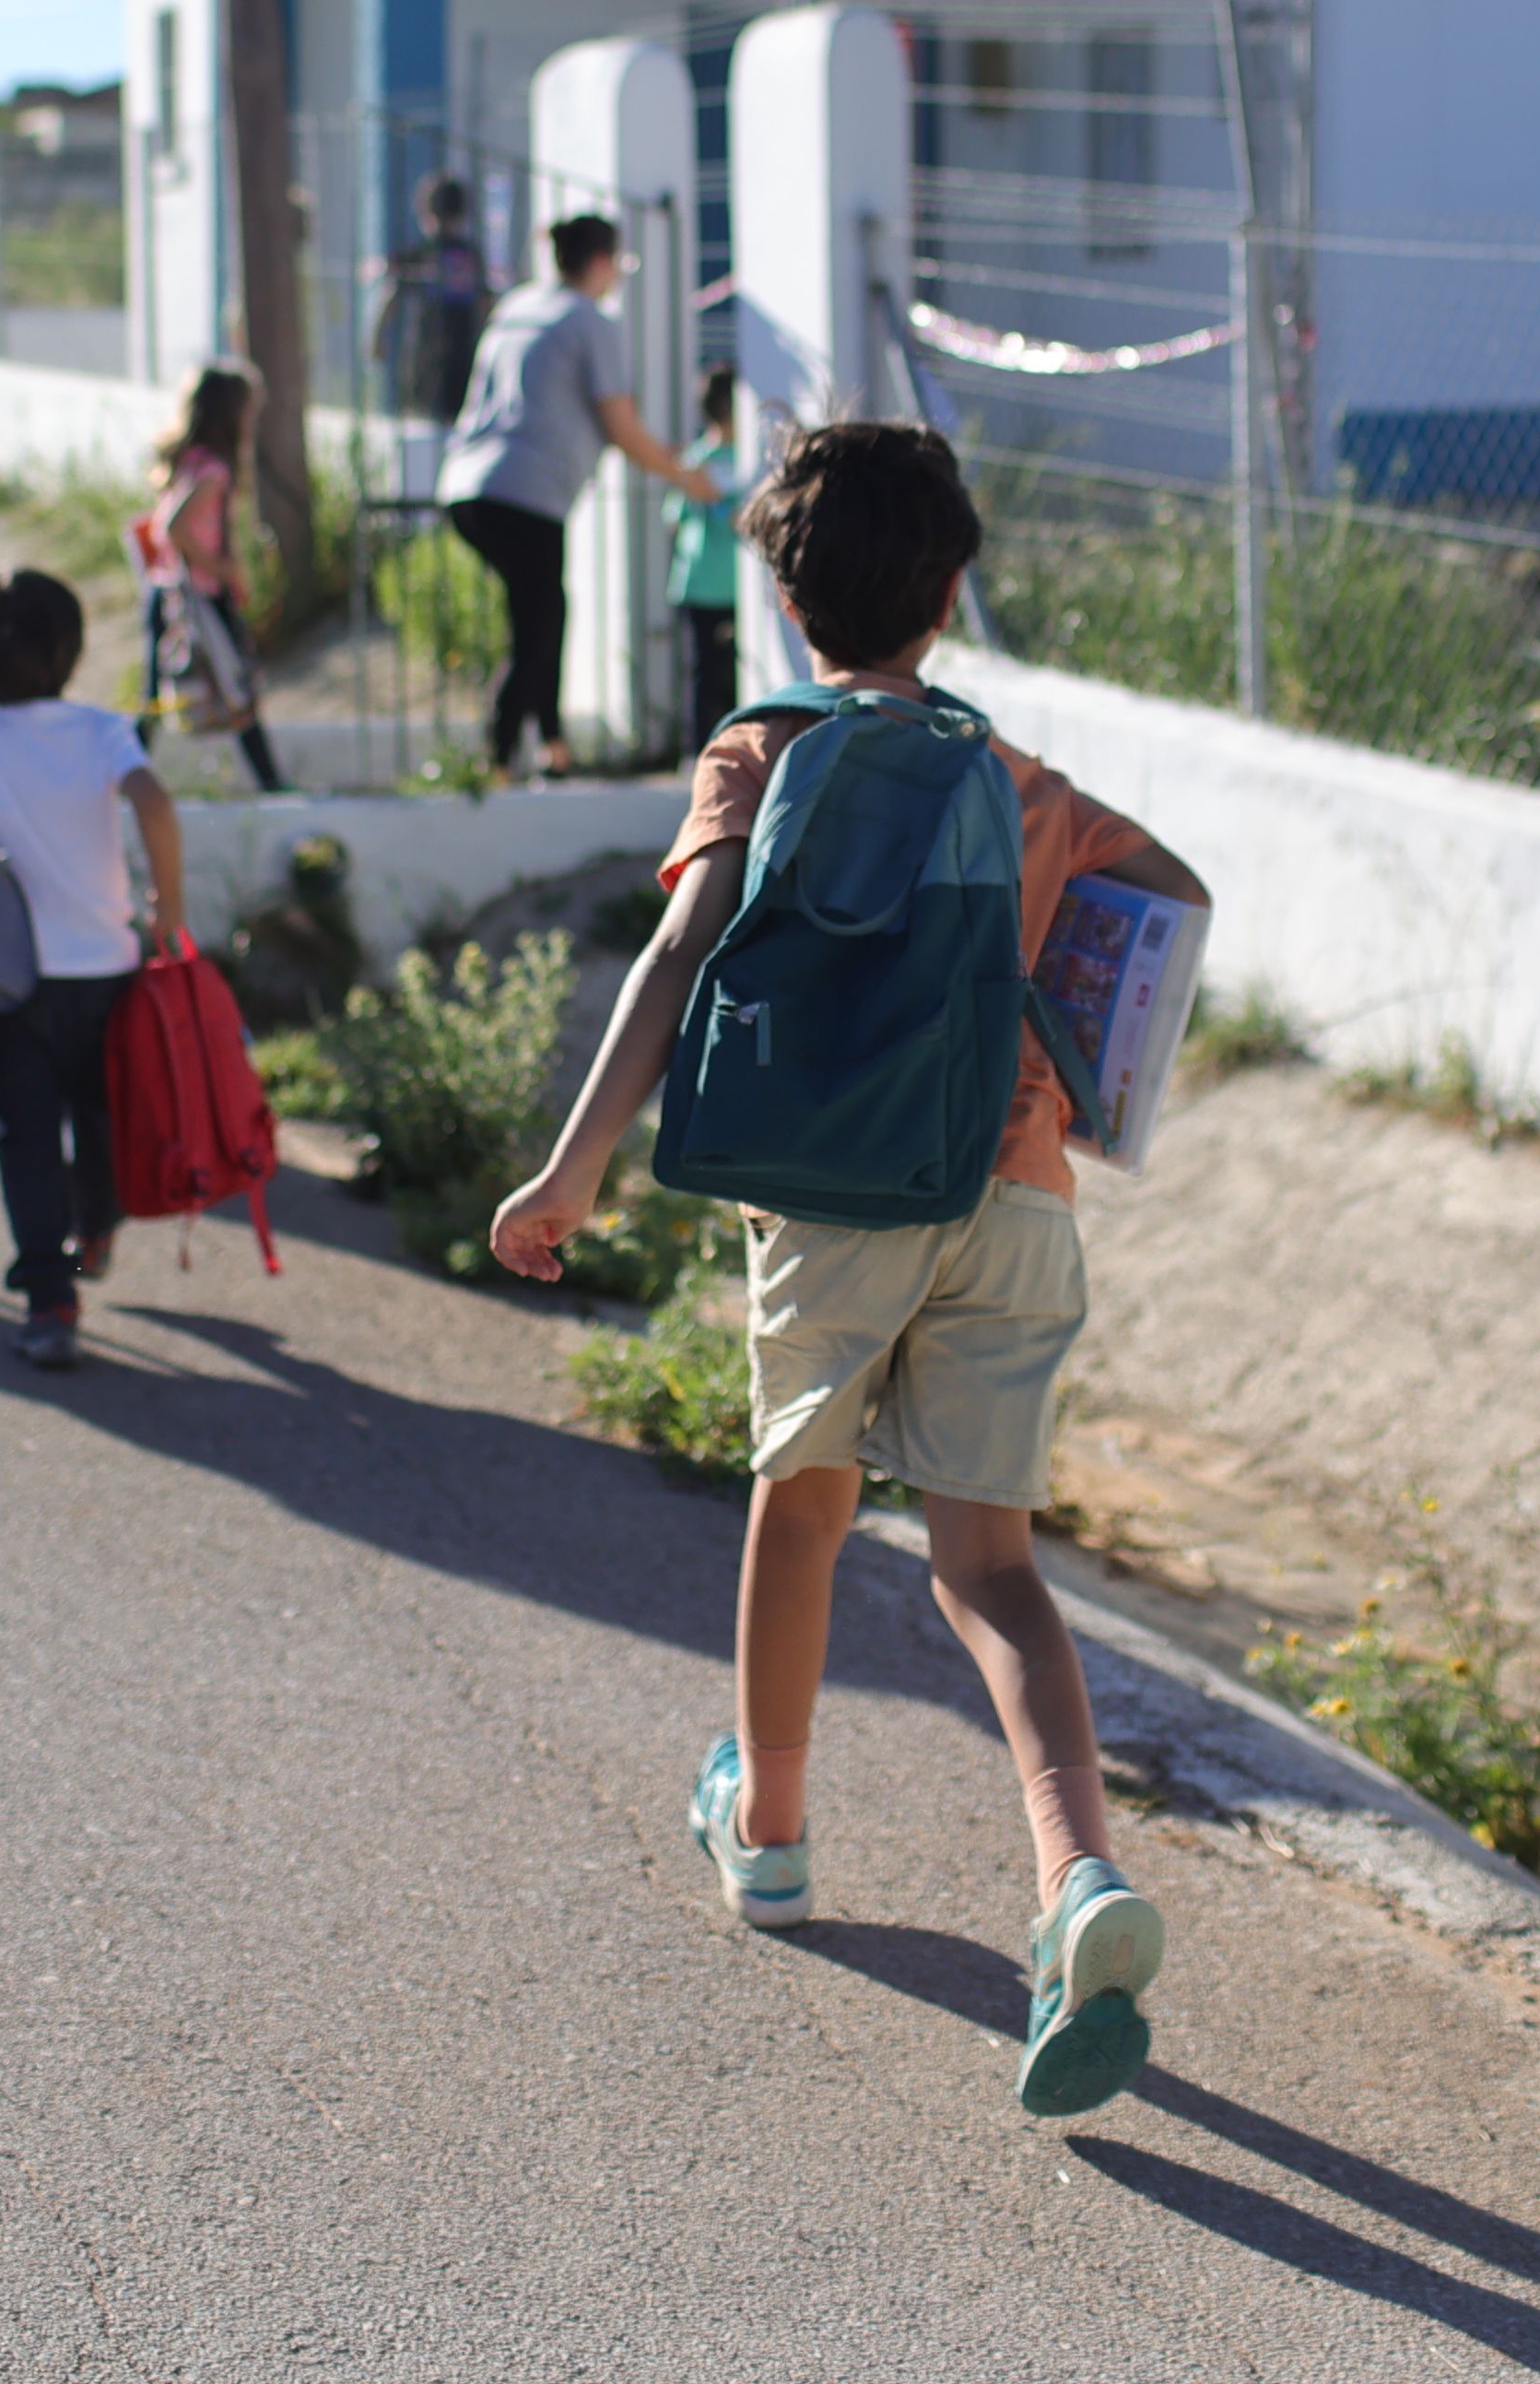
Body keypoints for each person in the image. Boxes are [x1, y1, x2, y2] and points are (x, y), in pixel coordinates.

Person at [488, 420, 1212, 2118]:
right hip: (1014, 1184)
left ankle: (774, 1826)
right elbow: (1168, 893)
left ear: (786, 590)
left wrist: (572, 1162)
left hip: (826, 1198)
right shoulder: (1015, 778)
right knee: (993, 1569)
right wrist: (1074, 1058)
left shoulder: (760, 744)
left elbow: (679, 944)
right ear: (951, 593)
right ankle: (1075, 1876)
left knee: (802, 1500)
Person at [0, 569, 188, 1375]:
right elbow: (155, 804)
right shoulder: (101, 731)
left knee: (25, 1135)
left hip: (9, 976)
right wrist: (168, 909)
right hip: (105, 968)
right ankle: (98, 1224)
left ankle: (49, 1301)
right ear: (73, 649)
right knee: (99, 1115)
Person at [435, 212, 716, 781]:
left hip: (465, 485)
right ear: (601, 261)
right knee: (541, 618)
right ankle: (505, 753)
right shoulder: (591, 320)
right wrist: (686, 476)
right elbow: (623, 426)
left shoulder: (519, 307)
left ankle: (547, 747)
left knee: (542, 612)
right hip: (525, 491)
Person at [140, 362, 291, 795]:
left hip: (166, 591)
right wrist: (223, 569)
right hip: (200, 596)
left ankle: (117, 780)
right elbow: (175, 525)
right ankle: (273, 784)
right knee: (239, 687)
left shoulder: (190, 461)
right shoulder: (214, 472)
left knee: (154, 697)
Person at [372, 174, 489, 442]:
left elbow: (391, 293)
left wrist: (377, 338)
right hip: (466, 352)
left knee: (422, 432)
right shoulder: (472, 255)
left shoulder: (421, 252)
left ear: (425, 211)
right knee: (460, 428)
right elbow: (486, 304)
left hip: (424, 354)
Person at [668, 361, 744, 764]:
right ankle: (698, 753)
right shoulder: (696, 460)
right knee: (704, 674)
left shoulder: (746, 460)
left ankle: (734, 753)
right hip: (702, 586)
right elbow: (675, 516)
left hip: (734, 586)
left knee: (734, 674)